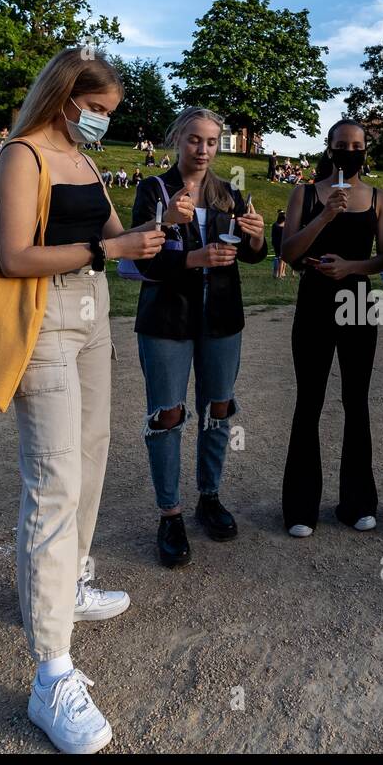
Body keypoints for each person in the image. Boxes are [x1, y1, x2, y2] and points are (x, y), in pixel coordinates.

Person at [0, 47, 164, 754]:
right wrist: (102, 253)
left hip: (93, 316)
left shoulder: (87, 160)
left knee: (92, 458)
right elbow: (15, 256)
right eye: (96, 110)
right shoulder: (24, 153)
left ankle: (72, 582)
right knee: (55, 479)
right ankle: (50, 673)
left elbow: (110, 241)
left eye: (109, 114)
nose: (101, 122)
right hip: (44, 318)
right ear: (65, 97)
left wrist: (147, 240)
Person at [131, 107, 267, 567]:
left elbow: (250, 256)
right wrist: (172, 231)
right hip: (168, 318)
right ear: (177, 140)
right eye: (194, 140)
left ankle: (209, 495)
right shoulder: (153, 190)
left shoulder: (230, 193)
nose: (204, 149)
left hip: (222, 318)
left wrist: (256, 237)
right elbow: (141, 260)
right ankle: (170, 513)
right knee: (167, 414)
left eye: (212, 141)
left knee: (218, 408)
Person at [280, 119, 383, 537]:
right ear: (329, 148)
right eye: (342, 144)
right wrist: (325, 216)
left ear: (365, 150)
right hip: (313, 301)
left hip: (358, 302)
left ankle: (358, 502)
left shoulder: (379, 198)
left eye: (357, 145)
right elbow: (289, 252)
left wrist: (351, 267)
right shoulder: (304, 193)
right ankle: (300, 507)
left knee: (356, 399)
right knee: (308, 400)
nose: (349, 150)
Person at [271, 210, 287, 278]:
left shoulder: (274, 224)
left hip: (275, 243)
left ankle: (275, 273)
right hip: (282, 244)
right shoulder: (284, 226)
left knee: (276, 258)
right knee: (282, 260)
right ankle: (280, 275)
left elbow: (272, 235)